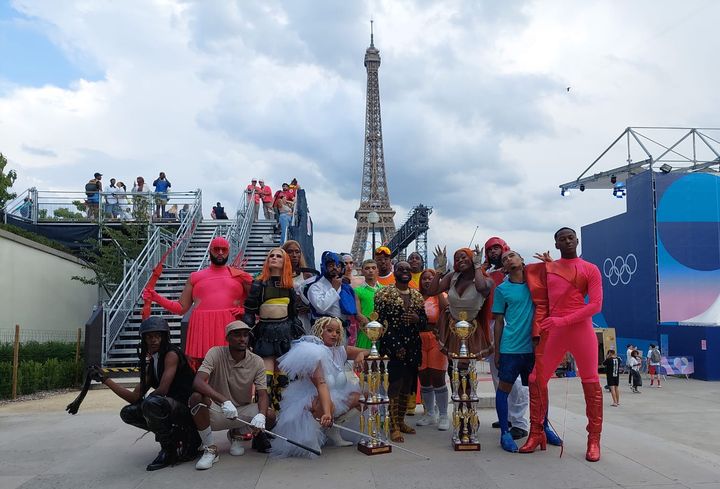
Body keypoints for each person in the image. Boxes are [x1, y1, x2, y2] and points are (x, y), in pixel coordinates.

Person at [519, 227, 604, 462]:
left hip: (579, 330)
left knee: (591, 382)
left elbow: (596, 305)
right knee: (536, 379)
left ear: (577, 240)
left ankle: (594, 440)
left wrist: (563, 320)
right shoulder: (548, 267)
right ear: (555, 244)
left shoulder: (590, 269)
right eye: (561, 239)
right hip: (554, 330)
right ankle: (536, 433)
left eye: (570, 237)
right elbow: (522, 279)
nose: (567, 241)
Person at [91, 317, 199, 471]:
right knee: (128, 413)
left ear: (164, 337)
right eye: (149, 337)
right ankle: (175, 437)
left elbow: (163, 390)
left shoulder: (171, 355)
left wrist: (147, 403)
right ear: (144, 339)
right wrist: (105, 379)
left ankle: (169, 449)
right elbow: (135, 397)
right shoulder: (152, 362)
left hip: (187, 409)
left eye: (157, 336)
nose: (153, 340)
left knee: (151, 403)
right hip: (168, 407)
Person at [143, 236, 253, 370]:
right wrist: (156, 297)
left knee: (233, 368)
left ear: (228, 251)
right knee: (202, 369)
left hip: (229, 325)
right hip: (202, 326)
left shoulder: (240, 276)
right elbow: (181, 308)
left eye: (223, 249)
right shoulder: (195, 277)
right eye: (216, 249)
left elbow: (255, 304)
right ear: (210, 251)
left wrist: (243, 311)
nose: (220, 253)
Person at [273, 317, 368, 457]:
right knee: (328, 404)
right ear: (320, 331)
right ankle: (313, 436)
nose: (334, 334)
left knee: (364, 397)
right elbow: (321, 385)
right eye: (329, 330)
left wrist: (360, 354)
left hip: (335, 394)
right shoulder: (313, 353)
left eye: (337, 331)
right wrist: (327, 412)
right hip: (312, 398)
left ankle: (333, 432)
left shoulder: (341, 350)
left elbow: (369, 350)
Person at [189, 321, 276, 470]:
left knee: (269, 415)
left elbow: (262, 394)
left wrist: (260, 415)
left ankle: (238, 434)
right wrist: (224, 401)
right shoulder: (215, 353)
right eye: (237, 335)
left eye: (245, 335)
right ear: (227, 338)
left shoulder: (257, 361)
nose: (242, 339)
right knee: (196, 398)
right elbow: (197, 382)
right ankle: (210, 449)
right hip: (218, 409)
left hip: (241, 412)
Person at [492, 250, 552, 453]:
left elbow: (558, 282)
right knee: (504, 389)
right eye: (504, 259)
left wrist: (550, 263)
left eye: (512, 255)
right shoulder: (502, 290)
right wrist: (498, 350)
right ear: (503, 268)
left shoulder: (537, 283)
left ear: (522, 260)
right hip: (510, 347)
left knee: (540, 389)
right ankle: (505, 434)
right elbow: (498, 321)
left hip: (535, 347)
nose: (508, 259)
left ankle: (544, 427)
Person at [243, 248, 305, 410]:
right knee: (265, 380)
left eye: (279, 256)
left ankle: (280, 418)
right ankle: (262, 417)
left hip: (285, 332)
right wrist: (245, 332)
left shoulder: (289, 286)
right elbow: (249, 311)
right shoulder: (258, 284)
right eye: (271, 255)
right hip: (265, 332)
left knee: (283, 380)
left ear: (284, 261)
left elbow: (293, 315)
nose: (275, 258)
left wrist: (297, 334)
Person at [484, 237, 530, 441]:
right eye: (490, 250)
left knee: (517, 381)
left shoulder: (523, 276)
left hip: (515, 327)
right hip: (493, 324)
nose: (494, 252)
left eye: (497, 248)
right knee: (497, 374)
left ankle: (519, 420)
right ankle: (508, 417)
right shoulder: (487, 274)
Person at [375, 261, 427, 442]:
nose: (404, 271)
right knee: (395, 385)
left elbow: (424, 322)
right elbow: (379, 322)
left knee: (408, 384)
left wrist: (416, 318)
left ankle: (401, 420)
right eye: (400, 269)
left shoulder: (417, 295)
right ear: (394, 271)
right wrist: (396, 346)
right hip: (392, 345)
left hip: (413, 345)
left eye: (407, 269)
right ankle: (392, 425)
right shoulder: (384, 293)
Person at [416, 269, 450, 431]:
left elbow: (447, 310)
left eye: (431, 278)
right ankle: (430, 413)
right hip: (418, 339)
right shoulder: (415, 296)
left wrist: (438, 289)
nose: (427, 281)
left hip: (435, 338)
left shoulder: (439, 296)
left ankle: (443, 415)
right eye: (425, 279)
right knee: (424, 378)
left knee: (437, 377)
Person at [305, 251, 364, 338]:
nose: (335, 268)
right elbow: (321, 308)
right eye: (331, 265)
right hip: (323, 332)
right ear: (325, 267)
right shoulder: (315, 287)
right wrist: (334, 289)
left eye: (338, 266)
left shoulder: (345, 286)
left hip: (342, 331)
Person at [282, 240, 314, 334]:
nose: (294, 255)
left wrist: (309, 308)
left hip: (302, 318)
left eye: (297, 251)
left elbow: (315, 298)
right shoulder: (277, 274)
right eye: (290, 251)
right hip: (284, 317)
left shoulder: (306, 274)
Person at [353, 259, 383, 349]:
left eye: (373, 268)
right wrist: (370, 326)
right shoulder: (357, 291)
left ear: (377, 270)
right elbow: (357, 313)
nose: (370, 270)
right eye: (367, 268)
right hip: (365, 331)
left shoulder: (384, 289)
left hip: (382, 332)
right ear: (362, 271)